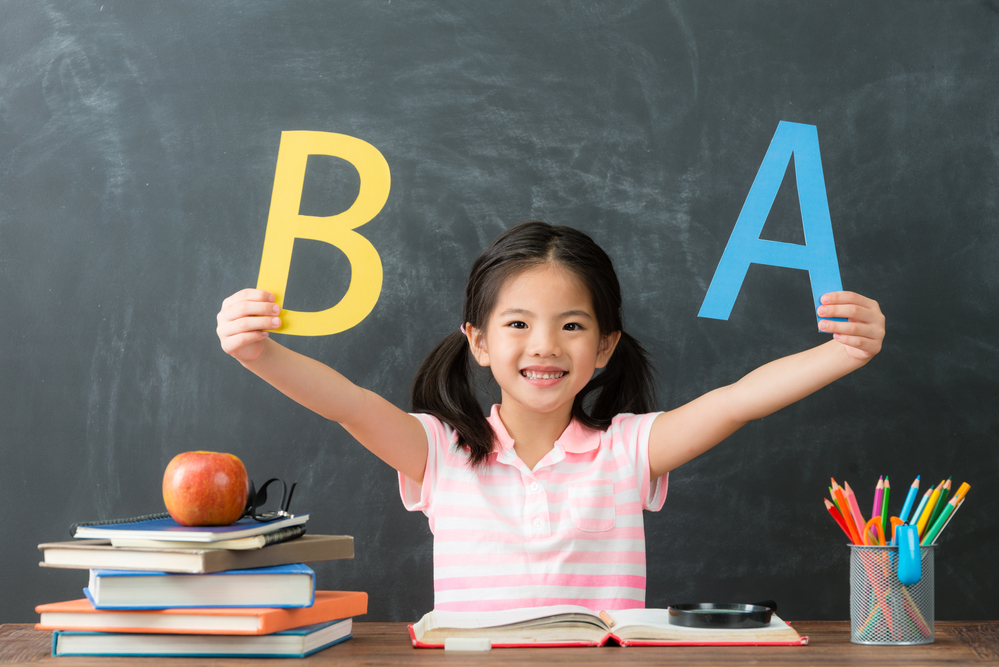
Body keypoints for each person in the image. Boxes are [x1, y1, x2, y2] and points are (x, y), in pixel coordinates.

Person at [216, 221, 885, 612]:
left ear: (602, 347)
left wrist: (842, 353)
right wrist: (258, 353)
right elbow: (348, 405)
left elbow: (735, 401)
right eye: (516, 323)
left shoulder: (628, 449)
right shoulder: (438, 451)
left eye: (571, 325)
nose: (543, 345)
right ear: (478, 341)